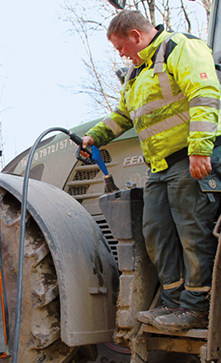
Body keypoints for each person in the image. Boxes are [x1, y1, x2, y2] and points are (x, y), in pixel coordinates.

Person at [82, 9, 221, 331]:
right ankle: (172, 303)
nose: (121, 54)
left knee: (192, 233)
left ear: (135, 36)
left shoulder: (180, 48)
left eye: (120, 48)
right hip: (159, 167)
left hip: (189, 158)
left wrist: (200, 150)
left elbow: (205, 95)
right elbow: (124, 115)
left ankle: (196, 307)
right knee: (155, 233)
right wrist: (96, 136)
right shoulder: (137, 74)